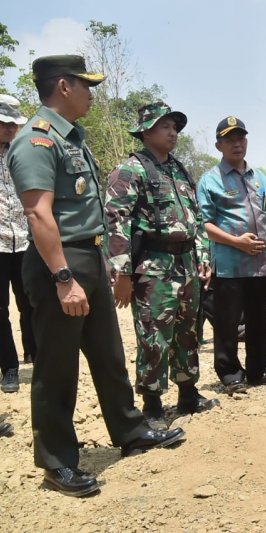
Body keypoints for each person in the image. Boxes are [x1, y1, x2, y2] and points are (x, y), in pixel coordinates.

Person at [7, 54, 185, 498]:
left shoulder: (71, 137)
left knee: (108, 353)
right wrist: (64, 278)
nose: (92, 93)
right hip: (59, 263)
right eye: (86, 85)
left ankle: (130, 431)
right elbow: (38, 212)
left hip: (88, 256)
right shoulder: (37, 140)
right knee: (57, 367)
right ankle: (57, 462)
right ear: (63, 86)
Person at [105, 101, 216, 429]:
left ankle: (188, 392)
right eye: (165, 127)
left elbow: (197, 217)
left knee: (188, 331)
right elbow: (115, 222)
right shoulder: (130, 171)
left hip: (186, 263)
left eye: (175, 127)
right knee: (154, 334)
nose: (173, 133)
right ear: (146, 131)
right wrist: (123, 273)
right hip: (154, 266)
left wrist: (204, 257)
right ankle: (152, 404)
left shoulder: (179, 170)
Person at [197, 116, 266, 394]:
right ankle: (230, 373)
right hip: (229, 266)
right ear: (218, 145)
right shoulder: (210, 180)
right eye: (230, 139)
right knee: (227, 322)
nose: (237, 144)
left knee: (259, 318)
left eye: (241, 138)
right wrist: (237, 242)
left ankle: (259, 369)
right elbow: (205, 225)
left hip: (261, 266)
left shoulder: (259, 176)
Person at [0, 94, 36, 394]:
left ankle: (34, 355)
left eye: (15, 124)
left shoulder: (22, 153)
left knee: (32, 303)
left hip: (26, 240)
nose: (12, 128)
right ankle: (9, 367)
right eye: (6, 123)